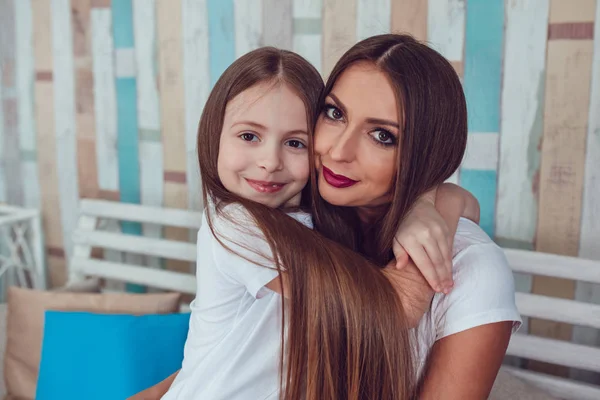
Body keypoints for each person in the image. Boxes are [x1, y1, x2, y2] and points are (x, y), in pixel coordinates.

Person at [131, 45, 481, 400]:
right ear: (213, 135)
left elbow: (469, 203)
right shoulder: (236, 224)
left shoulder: (316, 220)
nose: (269, 162)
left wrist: (426, 202)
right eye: (249, 136)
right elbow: (397, 308)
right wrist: (435, 208)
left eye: (295, 142)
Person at [311, 34, 521, 398]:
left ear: (429, 153)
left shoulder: (474, 270)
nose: (338, 151)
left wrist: (433, 200)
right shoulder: (293, 216)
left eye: (382, 135)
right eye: (335, 113)